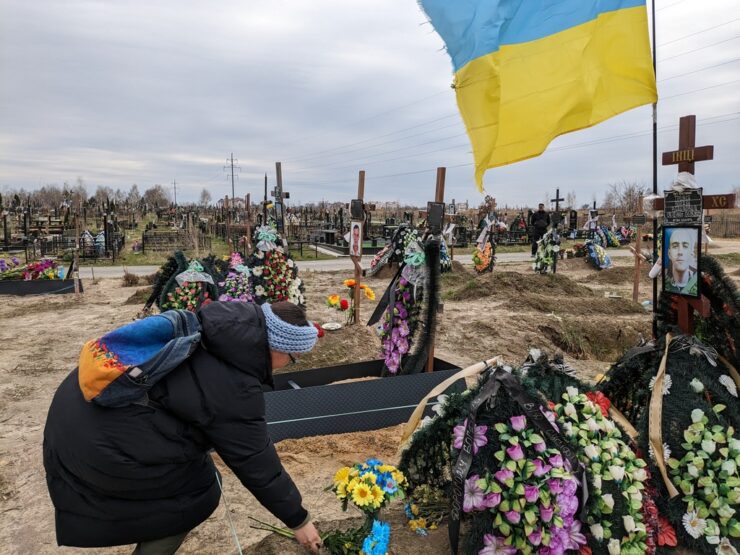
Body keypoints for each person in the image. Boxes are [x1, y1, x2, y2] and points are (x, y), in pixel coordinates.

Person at [43, 301, 323, 554]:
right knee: (195, 496)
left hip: (80, 407)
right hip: (99, 442)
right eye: (292, 357)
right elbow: (255, 461)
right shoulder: (235, 384)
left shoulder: (215, 328)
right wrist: (299, 520)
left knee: (200, 471)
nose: (288, 365)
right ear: (277, 348)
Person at [664, 227, 698, 296]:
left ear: (691, 254)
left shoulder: (697, 284)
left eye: (685, 246)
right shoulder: (666, 284)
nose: (680, 252)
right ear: (669, 254)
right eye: (675, 246)